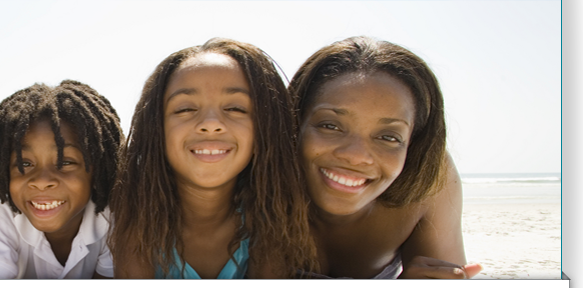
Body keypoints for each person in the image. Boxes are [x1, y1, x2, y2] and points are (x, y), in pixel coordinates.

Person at [109, 38, 317, 279]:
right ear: (155, 128)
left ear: (265, 127)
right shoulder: (132, 214)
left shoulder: (273, 218)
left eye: (236, 109)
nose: (210, 124)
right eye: (185, 109)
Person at [289, 36, 482, 279]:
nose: (356, 156)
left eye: (388, 137)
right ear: (294, 123)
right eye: (331, 125)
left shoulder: (429, 177)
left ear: (414, 145)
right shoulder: (247, 179)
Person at [0, 80, 123, 279]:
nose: (41, 181)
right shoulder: (5, 212)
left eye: (65, 162)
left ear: (98, 169)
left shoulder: (112, 217)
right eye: (25, 164)